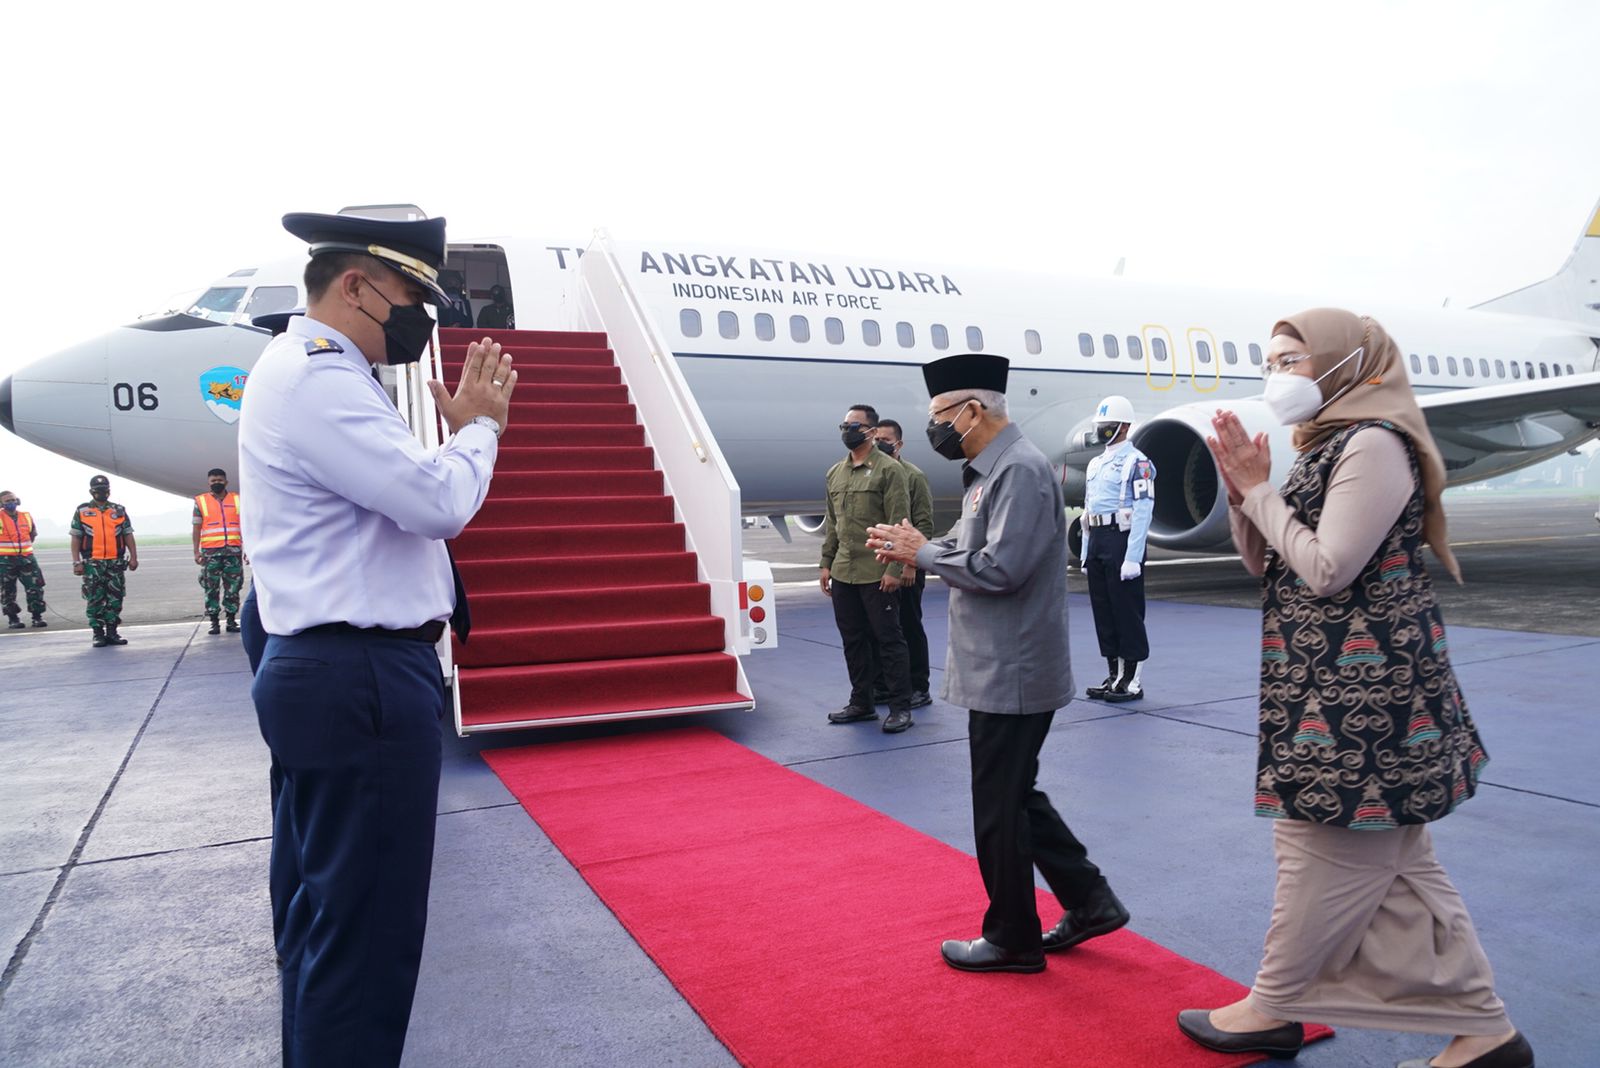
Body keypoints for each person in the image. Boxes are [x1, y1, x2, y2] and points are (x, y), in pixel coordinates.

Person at [1178, 309, 1532, 1068]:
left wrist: (1259, 492)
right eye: (1270, 361)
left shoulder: (1373, 443)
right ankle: (1486, 1032)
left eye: (1293, 360)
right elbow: (1269, 564)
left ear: (1349, 362)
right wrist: (1244, 495)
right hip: (1323, 686)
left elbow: (1328, 568)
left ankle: (1274, 1005)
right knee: (1400, 868)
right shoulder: (1323, 444)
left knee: (1317, 843)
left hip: (1368, 701)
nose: (1277, 375)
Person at [241, 209, 516, 1067]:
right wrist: (481, 429)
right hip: (358, 677)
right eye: (412, 297)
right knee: (364, 945)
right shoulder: (320, 379)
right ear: (356, 286)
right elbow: (437, 503)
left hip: (332, 669)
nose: (421, 319)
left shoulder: (320, 373)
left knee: (328, 925)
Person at [869, 354, 1128, 973]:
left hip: (1012, 668)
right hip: (999, 663)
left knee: (998, 807)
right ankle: (1091, 902)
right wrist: (917, 547)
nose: (934, 426)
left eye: (939, 414)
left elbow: (1000, 568)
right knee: (1016, 795)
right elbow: (971, 542)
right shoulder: (992, 472)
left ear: (971, 411)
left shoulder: (1020, 470)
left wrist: (924, 553)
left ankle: (1014, 937)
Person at [820, 404, 916, 733]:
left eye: (854, 426)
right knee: (853, 639)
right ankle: (862, 702)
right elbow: (833, 524)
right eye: (844, 425)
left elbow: (899, 524)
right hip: (844, 571)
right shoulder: (835, 473)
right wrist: (826, 562)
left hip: (877, 570)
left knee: (889, 640)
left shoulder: (890, 470)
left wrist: (894, 569)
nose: (847, 431)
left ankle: (900, 707)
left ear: (872, 432)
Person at [1080, 395, 1155, 702]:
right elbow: (1087, 511)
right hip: (1098, 537)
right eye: (1100, 424)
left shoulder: (1138, 463)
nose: (1102, 430)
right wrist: (1085, 553)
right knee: (1104, 611)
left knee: (1126, 611)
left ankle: (1131, 681)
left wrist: (1133, 557)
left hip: (1120, 539)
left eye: (1108, 425)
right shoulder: (1095, 463)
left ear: (1124, 427)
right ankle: (1114, 675)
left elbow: (1143, 510)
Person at [872, 418, 934, 709]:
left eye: (885, 440)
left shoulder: (913, 476)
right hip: (882, 565)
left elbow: (924, 524)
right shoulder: (875, 474)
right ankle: (886, 685)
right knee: (883, 629)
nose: (879, 444)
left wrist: (911, 564)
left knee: (909, 625)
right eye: (876, 439)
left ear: (899, 444)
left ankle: (919, 686)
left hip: (908, 564)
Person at [70, 474, 137, 647]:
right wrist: (76, 562)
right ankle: (98, 633)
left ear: (109, 490)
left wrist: (134, 557)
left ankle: (112, 632)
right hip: (93, 563)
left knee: (115, 598)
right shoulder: (82, 511)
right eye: (98, 490)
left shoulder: (118, 510)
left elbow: (128, 534)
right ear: (91, 491)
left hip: (115, 562)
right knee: (94, 598)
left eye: (104, 489)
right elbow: (76, 537)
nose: (102, 492)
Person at [192, 468, 244, 634]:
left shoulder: (237, 499)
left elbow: (246, 525)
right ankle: (214, 622)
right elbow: (196, 528)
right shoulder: (201, 501)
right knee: (211, 588)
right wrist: (196, 551)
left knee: (233, 588)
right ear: (208, 483)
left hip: (233, 552)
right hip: (211, 553)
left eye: (220, 480)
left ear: (226, 482)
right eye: (213, 481)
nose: (217, 483)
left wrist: (248, 549)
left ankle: (231, 620)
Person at [0, 490, 48, 628]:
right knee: (7, 590)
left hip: (27, 559)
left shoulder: (26, 516)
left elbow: (32, 534)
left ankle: (37, 617)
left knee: (35, 587)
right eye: (7, 501)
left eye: (13, 500)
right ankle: (13, 619)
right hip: (5, 561)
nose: (11, 503)